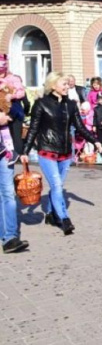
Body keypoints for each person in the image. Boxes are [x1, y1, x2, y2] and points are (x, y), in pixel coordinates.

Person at [20, 72, 102, 235]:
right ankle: (64, 219)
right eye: (63, 84)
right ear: (53, 86)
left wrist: (95, 141)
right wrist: (25, 151)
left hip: (65, 153)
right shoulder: (41, 104)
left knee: (57, 187)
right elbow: (33, 128)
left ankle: (50, 214)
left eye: (67, 84)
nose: (67, 86)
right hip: (47, 151)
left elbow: (80, 126)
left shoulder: (71, 105)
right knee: (57, 186)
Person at [0, 108, 25, 253]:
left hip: (5, 150)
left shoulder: (8, 89)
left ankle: (10, 237)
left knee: (8, 194)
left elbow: (20, 110)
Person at [0, 54, 27, 152]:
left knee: (15, 135)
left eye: (2, 72)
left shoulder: (13, 79)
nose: (1, 74)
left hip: (14, 110)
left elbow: (21, 92)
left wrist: (12, 96)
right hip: (1, 111)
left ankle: (18, 155)